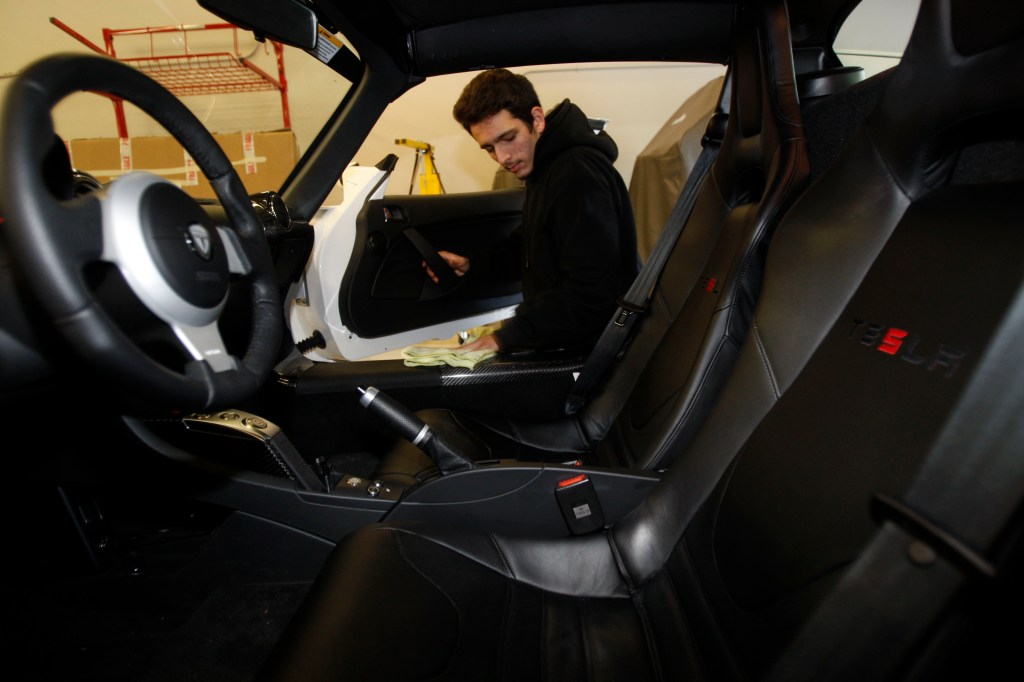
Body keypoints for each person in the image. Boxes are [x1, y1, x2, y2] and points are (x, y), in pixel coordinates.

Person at [425, 68, 640, 354]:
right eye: (489, 148)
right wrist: (471, 264)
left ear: (536, 119)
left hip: (594, 351)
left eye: (508, 138)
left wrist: (507, 337)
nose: (502, 157)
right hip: (569, 341)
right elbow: (529, 245)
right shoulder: (547, 169)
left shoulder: (576, 172)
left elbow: (593, 287)